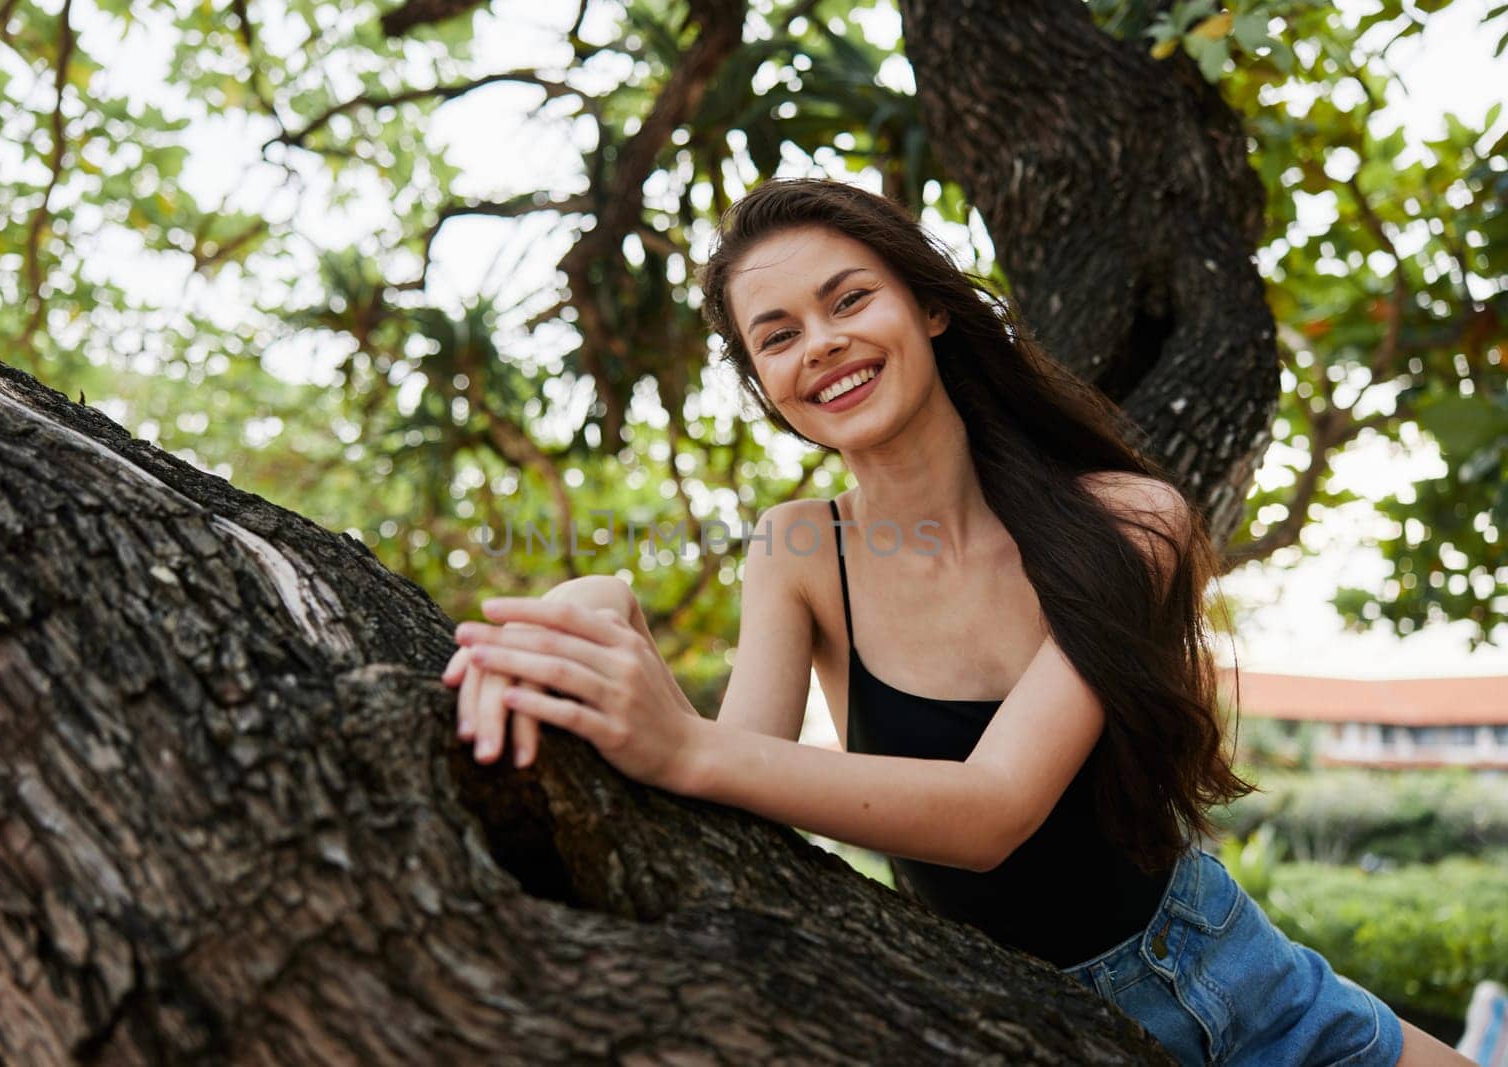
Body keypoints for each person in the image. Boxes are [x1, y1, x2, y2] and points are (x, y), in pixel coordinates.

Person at [441, 178, 1468, 1066]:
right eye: (779, 334)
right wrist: (593, 610)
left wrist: (678, 740)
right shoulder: (798, 550)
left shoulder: (1130, 519)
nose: (824, 344)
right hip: (1018, 1024)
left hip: (1242, 981)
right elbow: (736, 777)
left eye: (849, 300)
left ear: (929, 307)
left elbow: (993, 807)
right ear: (765, 387)